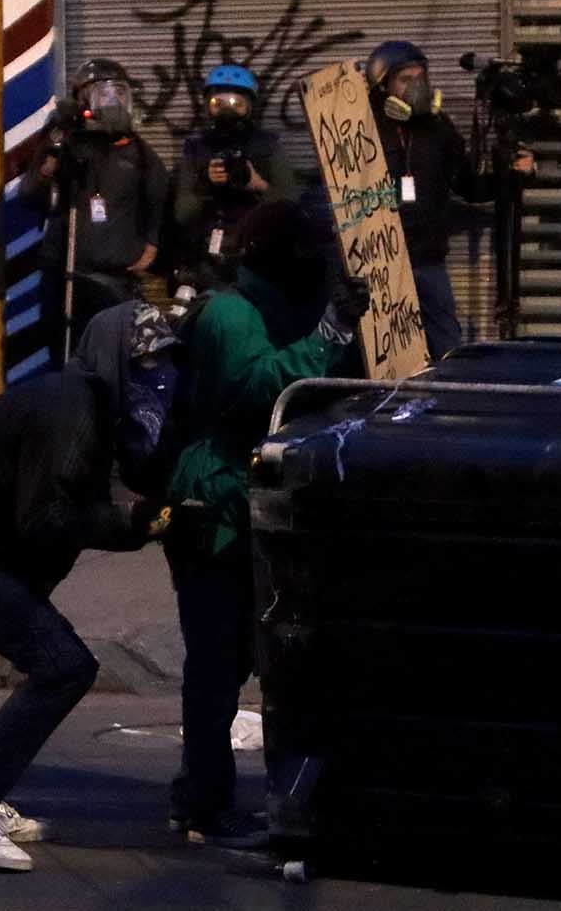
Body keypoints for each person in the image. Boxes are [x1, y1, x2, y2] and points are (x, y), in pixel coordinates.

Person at [0, 302, 178, 872]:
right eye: (146, 364)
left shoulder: (88, 409)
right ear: (115, 363)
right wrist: (134, 524)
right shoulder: (72, 411)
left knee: (56, 664)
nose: (158, 378)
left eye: (164, 365)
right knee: (64, 665)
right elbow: (48, 518)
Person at [162, 199, 369, 847]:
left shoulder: (284, 311)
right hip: (215, 506)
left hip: (262, 508)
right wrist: (330, 332)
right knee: (216, 664)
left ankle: (267, 790)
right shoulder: (230, 313)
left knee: (274, 657)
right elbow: (260, 388)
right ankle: (200, 801)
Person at [364, 40, 533, 358]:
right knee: (383, 355)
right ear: (382, 86)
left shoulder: (437, 128)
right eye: (405, 79)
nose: (416, 86)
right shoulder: (364, 130)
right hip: (381, 265)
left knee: (447, 348)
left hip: (428, 261)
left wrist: (511, 176)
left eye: (420, 78)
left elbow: (469, 186)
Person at [19, 58, 170, 360]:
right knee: (65, 353)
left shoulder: (138, 152)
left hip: (115, 279)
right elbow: (30, 193)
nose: (113, 101)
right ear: (82, 99)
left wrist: (151, 244)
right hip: (66, 276)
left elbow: (159, 199)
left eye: (120, 93)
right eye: (103, 94)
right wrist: (53, 154)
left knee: (111, 357)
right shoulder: (66, 144)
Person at [172, 64, 291, 294]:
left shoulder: (267, 147)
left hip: (257, 261)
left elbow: (291, 205)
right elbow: (182, 213)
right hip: (208, 262)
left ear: (250, 106)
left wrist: (258, 185)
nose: (228, 111)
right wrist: (206, 184)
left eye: (237, 104)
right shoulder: (196, 150)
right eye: (219, 104)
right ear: (208, 106)